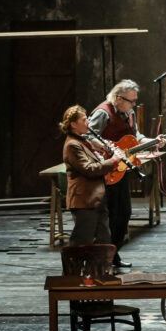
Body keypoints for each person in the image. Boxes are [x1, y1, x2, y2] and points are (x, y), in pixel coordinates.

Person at [88, 79, 165, 268]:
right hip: (105, 170)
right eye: (132, 101)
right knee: (110, 215)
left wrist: (153, 141)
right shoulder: (103, 113)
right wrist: (107, 148)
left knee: (124, 213)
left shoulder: (129, 113)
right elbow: (87, 136)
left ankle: (114, 254)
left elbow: (136, 136)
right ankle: (104, 258)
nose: (134, 105)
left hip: (121, 170)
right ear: (118, 98)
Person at [60, 105, 121, 246]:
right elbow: (89, 169)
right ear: (73, 124)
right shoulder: (72, 145)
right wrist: (113, 160)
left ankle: (103, 262)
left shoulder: (83, 141)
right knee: (82, 241)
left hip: (96, 197)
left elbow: (95, 162)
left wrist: (105, 153)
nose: (88, 122)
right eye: (84, 119)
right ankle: (72, 262)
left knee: (103, 239)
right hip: (84, 199)